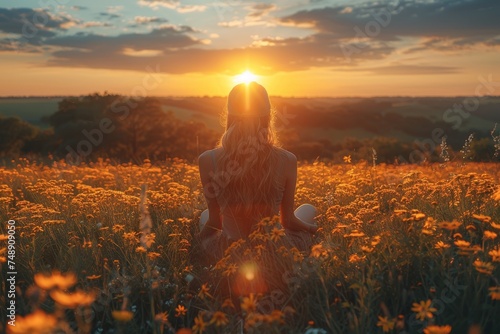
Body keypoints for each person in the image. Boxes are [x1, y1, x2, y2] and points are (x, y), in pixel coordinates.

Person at [197, 82, 317, 259]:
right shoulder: (288, 159)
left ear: (229, 116)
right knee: (308, 209)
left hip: (230, 249)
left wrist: (197, 243)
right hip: (273, 248)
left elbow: (215, 222)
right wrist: (313, 229)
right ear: (268, 117)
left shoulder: (208, 159)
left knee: (205, 215)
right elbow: (288, 221)